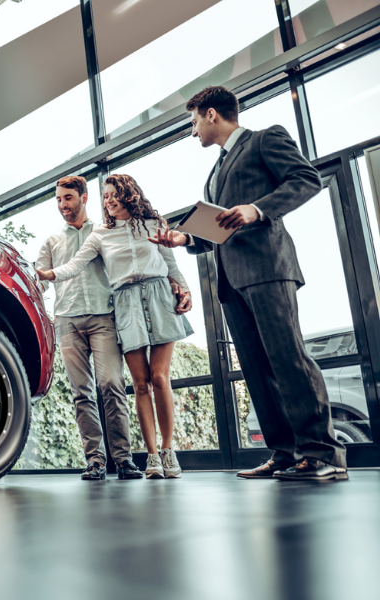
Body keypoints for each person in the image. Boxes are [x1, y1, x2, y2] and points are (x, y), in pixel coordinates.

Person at [150, 85, 347, 481]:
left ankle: (324, 454)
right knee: (258, 369)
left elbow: (306, 178)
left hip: (267, 268)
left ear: (210, 114)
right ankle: (286, 452)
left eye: (193, 122)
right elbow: (221, 228)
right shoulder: (214, 173)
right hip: (232, 280)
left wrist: (257, 209)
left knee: (288, 358)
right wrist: (185, 238)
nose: (193, 133)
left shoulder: (263, 139)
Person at [39, 174, 193, 479]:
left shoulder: (146, 225)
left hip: (139, 304)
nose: (108, 200)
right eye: (105, 196)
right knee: (118, 386)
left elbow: (171, 265)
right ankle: (121, 458)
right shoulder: (93, 236)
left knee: (144, 380)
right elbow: (74, 265)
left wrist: (183, 288)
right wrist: (48, 275)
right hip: (106, 309)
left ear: (128, 195)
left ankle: (152, 453)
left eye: (113, 195)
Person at [36, 175, 142, 481]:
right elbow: (40, 281)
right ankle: (95, 460)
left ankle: (123, 459)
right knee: (81, 392)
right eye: (58, 199)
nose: (62, 205)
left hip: (103, 318)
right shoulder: (51, 241)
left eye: (67, 198)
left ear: (84, 198)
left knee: (111, 384)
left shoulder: (105, 232)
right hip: (67, 321)